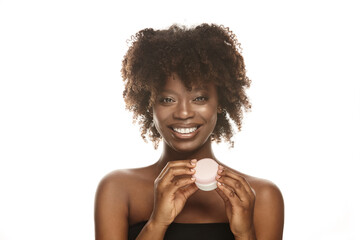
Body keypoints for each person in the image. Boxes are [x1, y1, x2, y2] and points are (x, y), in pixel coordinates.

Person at [94, 23, 284, 240]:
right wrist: (157, 222)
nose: (183, 113)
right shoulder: (118, 189)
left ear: (219, 102)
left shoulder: (261, 196)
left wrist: (245, 233)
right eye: (167, 99)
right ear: (149, 105)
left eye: (199, 98)